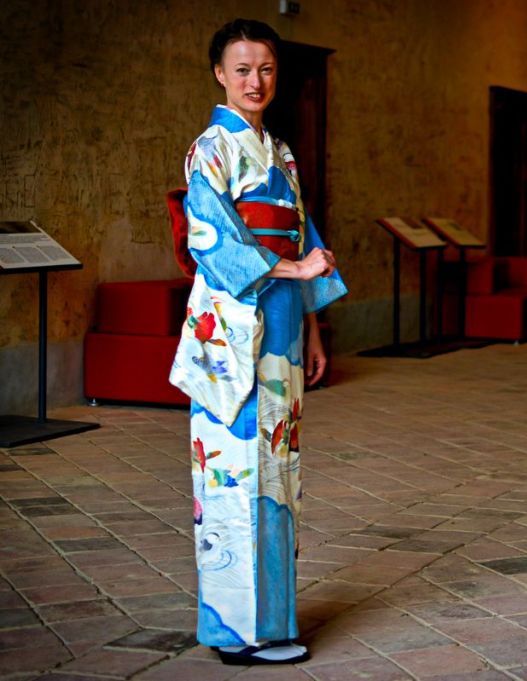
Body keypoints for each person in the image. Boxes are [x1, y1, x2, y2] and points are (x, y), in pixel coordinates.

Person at [168, 18, 347, 665]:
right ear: (219, 72)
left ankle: (270, 623)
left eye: (266, 69)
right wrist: (294, 271)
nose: (255, 81)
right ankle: (232, 629)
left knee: (277, 472)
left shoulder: (284, 154)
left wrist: (312, 322)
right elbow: (211, 239)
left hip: (281, 330)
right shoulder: (210, 148)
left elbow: (303, 237)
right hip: (233, 328)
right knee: (232, 470)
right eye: (242, 69)